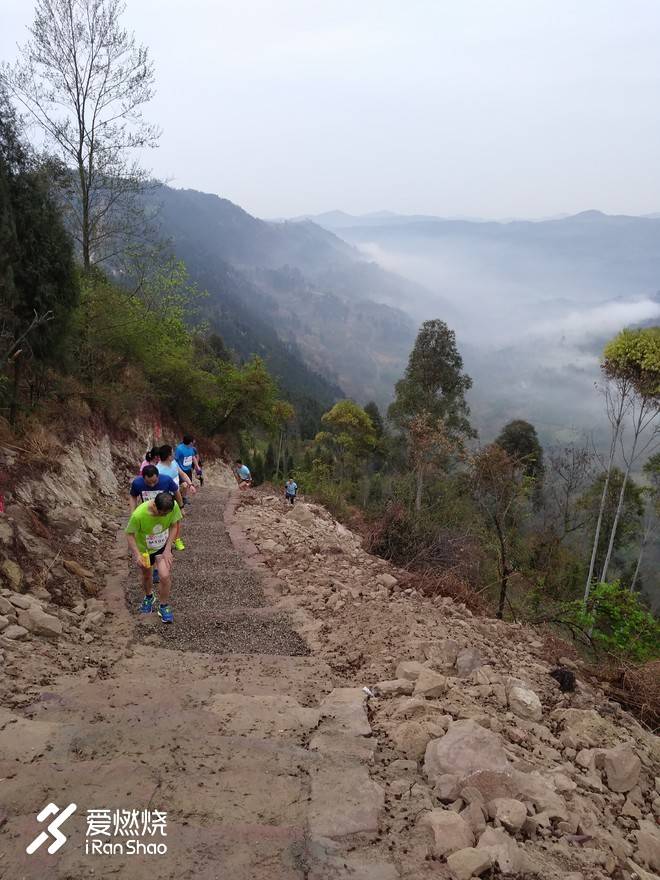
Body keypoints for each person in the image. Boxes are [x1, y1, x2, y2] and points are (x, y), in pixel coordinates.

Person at [125, 491, 182, 624]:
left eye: (167, 514)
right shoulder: (139, 515)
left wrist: (168, 549)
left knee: (164, 576)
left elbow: (174, 526)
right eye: (161, 514)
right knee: (147, 575)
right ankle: (149, 597)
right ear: (155, 506)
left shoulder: (172, 506)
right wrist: (137, 555)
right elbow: (129, 534)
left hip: (162, 547)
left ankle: (163, 606)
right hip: (145, 550)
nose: (164, 516)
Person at [157, 445, 194, 550]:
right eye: (172, 452)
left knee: (177, 519)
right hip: (164, 498)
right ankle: (163, 542)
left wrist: (190, 484)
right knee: (164, 520)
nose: (174, 454)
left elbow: (182, 474)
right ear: (169, 456)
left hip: (176, 495)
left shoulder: (174, 463)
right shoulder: (158, 470)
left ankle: (177, 540)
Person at [174, 434, 200, 505]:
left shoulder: (191, 448)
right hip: (181, 471)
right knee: (184, 485)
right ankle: (178, 497)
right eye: (193, 441)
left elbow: (193, 457)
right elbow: (175, 459)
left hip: (188, 470)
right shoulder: (179, 449)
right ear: (190, 442)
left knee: (188, 484)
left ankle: (184, 497)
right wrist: (176, 469)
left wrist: (197, 466)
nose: (194, 441)